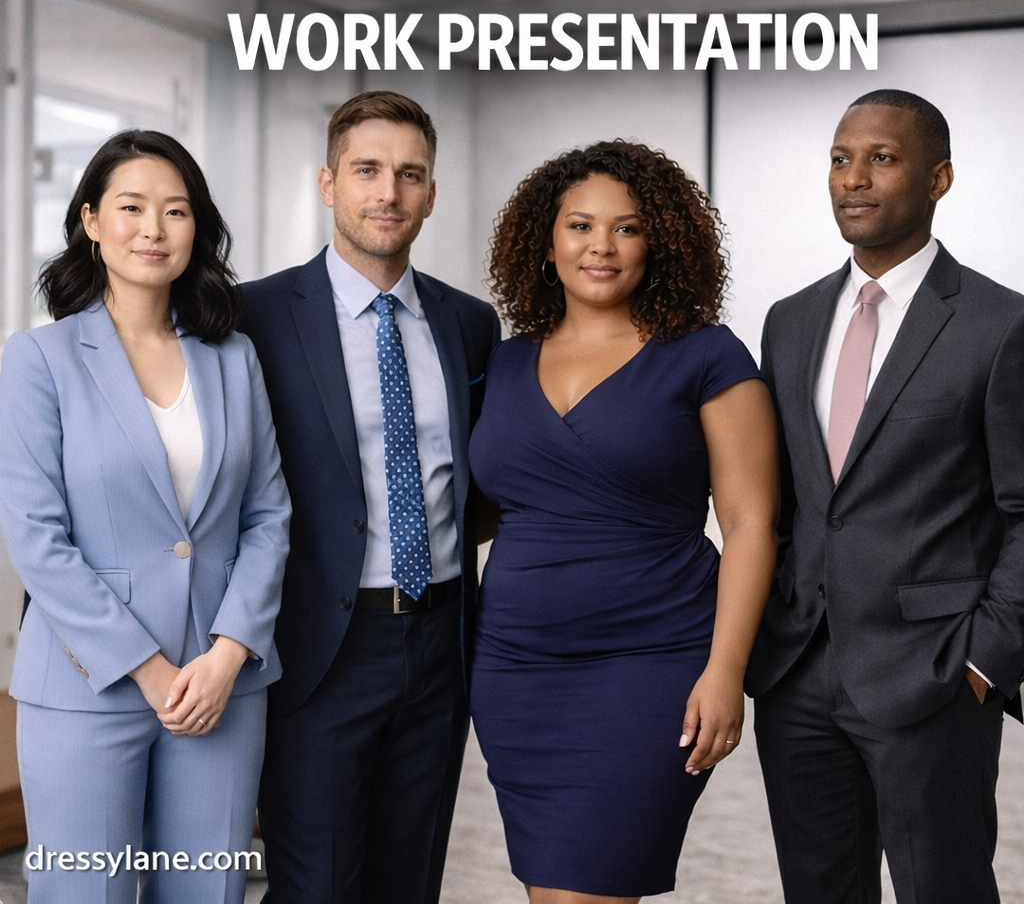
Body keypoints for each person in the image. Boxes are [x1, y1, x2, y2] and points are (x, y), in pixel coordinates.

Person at [469, 139, 779, 904]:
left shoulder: (705, 356)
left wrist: (726, 671)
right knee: (553, 890)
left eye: (626, 227)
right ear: (546, 241)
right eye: (579, 225)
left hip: (652, 662)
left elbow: (749, 521)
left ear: (660, 243)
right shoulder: (504, 364)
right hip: (516, 669)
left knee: (590, 890)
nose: (600, 246)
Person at [746, 89, 1024, 904]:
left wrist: (984, 661)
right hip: (798, 673)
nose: (853, 179)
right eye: (840, 158)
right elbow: (799, 500)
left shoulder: (999, 325)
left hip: (933, 675)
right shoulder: (789, 321)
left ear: (938, 179)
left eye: (882, 158)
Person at [0, 130, 291, 904]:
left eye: (175, 210)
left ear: (198, 229)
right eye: (131, 208)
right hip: (86, 686)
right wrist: (150, 670)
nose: (153, 230)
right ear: (91, 221)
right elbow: (36, 538)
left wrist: (229, 654)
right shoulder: (38, 360)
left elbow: (267, 515)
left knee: (209, 893)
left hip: (218, 687)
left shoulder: (234, 358)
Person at [241, 90, 501, 904]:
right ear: (328, 184)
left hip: (441, 643)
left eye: (409, 174)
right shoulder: (254, 316)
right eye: (367, 170)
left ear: (431, 192)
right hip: (319, 647)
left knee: (409, 878)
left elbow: (484, 477)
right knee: (314, 883)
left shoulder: (469, 323)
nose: (388, 192)